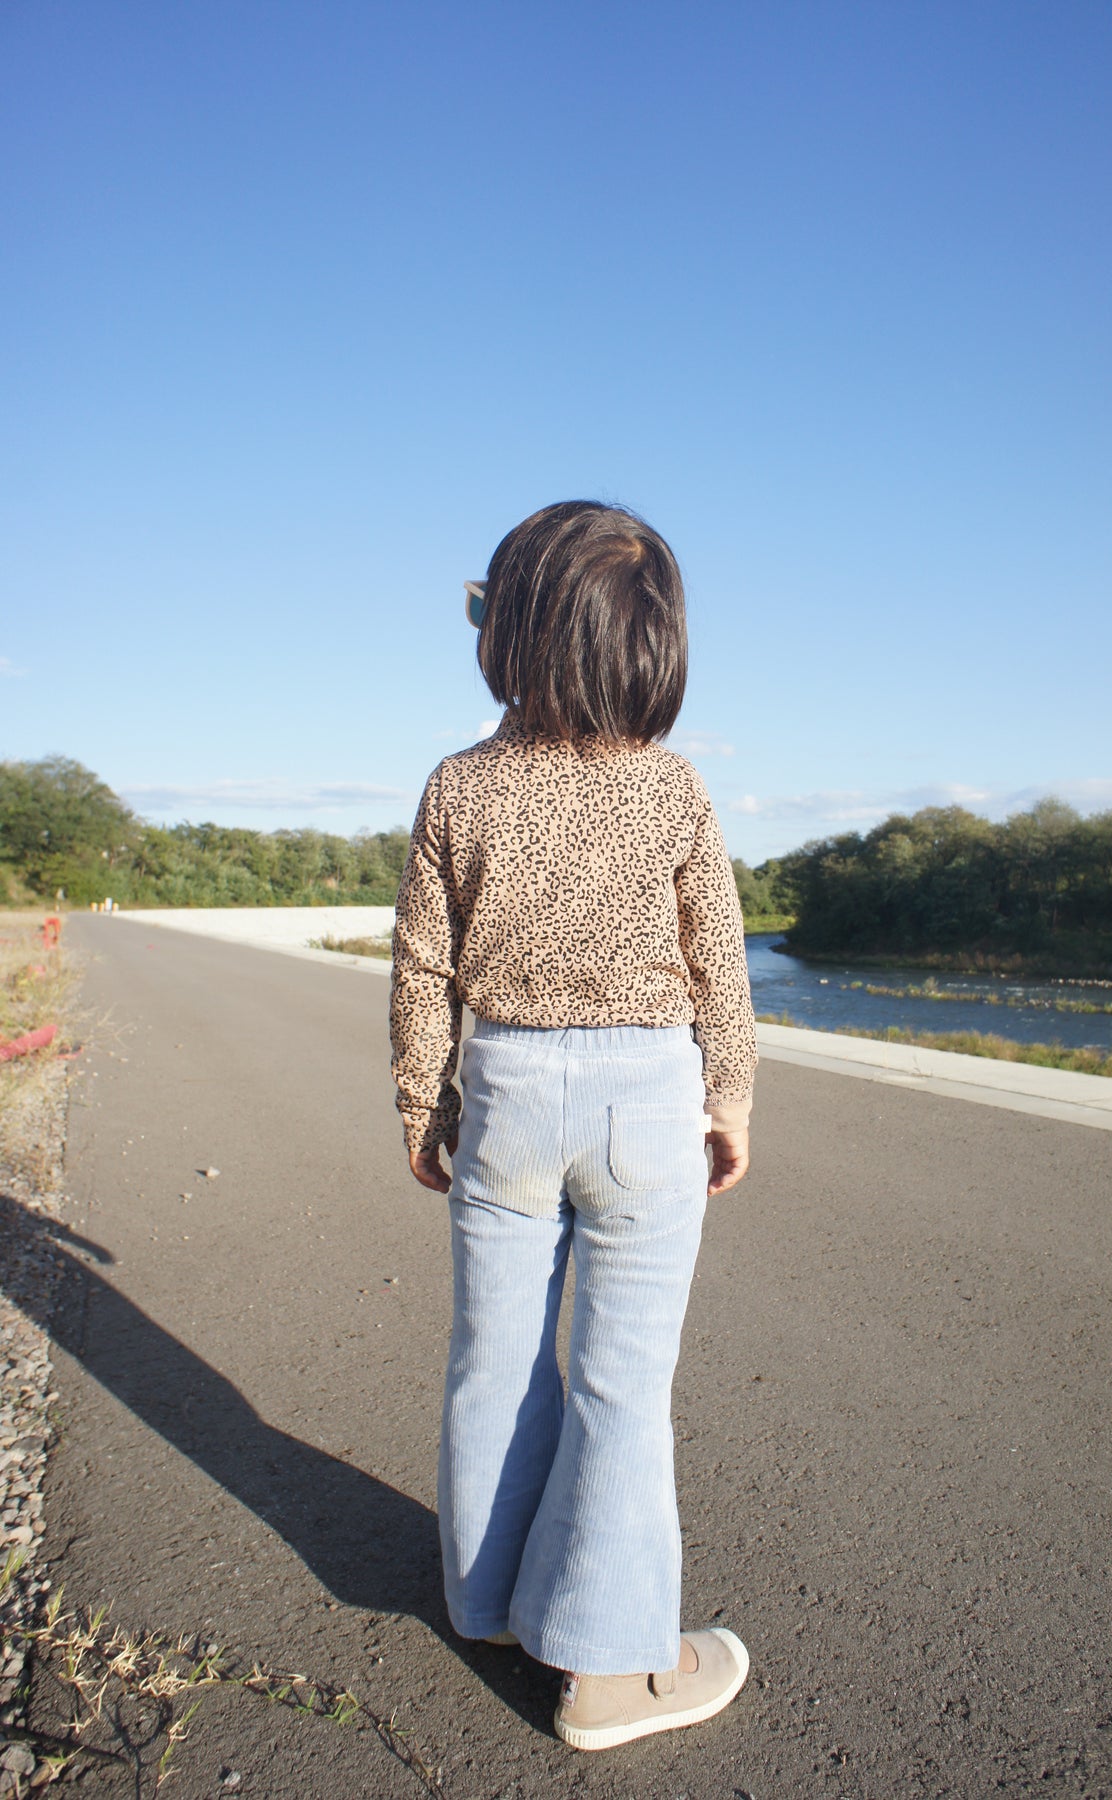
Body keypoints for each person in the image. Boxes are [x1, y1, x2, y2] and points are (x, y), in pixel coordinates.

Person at [389, 500, 757, 1751]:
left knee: (494, 1356)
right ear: (652, 648)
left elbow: (422, 965)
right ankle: (610, 1669)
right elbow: (718, 959)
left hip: (505, 1095)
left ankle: (488, 1598)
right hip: (646, 1100)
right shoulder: (671, 788)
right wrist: (730, 1096)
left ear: (507, 633)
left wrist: (423, 1104)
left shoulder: (459, 784)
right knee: (620, 1381)